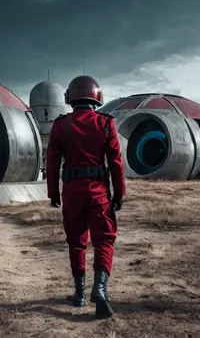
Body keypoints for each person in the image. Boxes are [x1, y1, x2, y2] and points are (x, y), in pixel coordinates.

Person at [45, 75, 126, 319]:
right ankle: (99, 289)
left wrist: (52, 192)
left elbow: (51, 163)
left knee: (76, 241)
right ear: (96, 98)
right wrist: (119, 193)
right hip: (98, 191)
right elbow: (115, 163)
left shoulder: (60, 125)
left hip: (71, 192)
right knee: (103, 240)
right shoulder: (105, 124)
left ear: (70, 98)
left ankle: (79, 295)